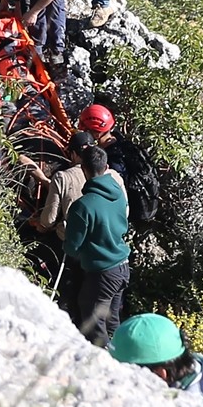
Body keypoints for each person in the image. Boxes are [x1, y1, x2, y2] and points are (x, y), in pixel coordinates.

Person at [63, 145, 130, 346]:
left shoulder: (82, 206)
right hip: (123, 266)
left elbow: (72, 247)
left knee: (93, 321)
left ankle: (105, 364)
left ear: (82, 168)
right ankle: (123, 359)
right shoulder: (118, 194)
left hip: (102, 272)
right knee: (112, 322)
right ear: (107, 166)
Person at [78, 103, 159, 226]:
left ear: (96, 134)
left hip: (134, 211)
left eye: (87, 131)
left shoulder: (112, 160)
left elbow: (116, 191)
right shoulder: (122, 142)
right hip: (149, 202)